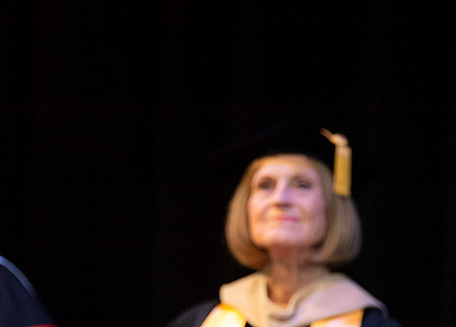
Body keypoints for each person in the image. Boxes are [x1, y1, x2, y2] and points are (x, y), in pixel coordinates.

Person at [167, 127, 400, 327]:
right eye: (265, 186)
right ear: (246, 208)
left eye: (302, 185)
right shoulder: (201, 321)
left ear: (332, 208)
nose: (280, 199)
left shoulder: (368, 324)